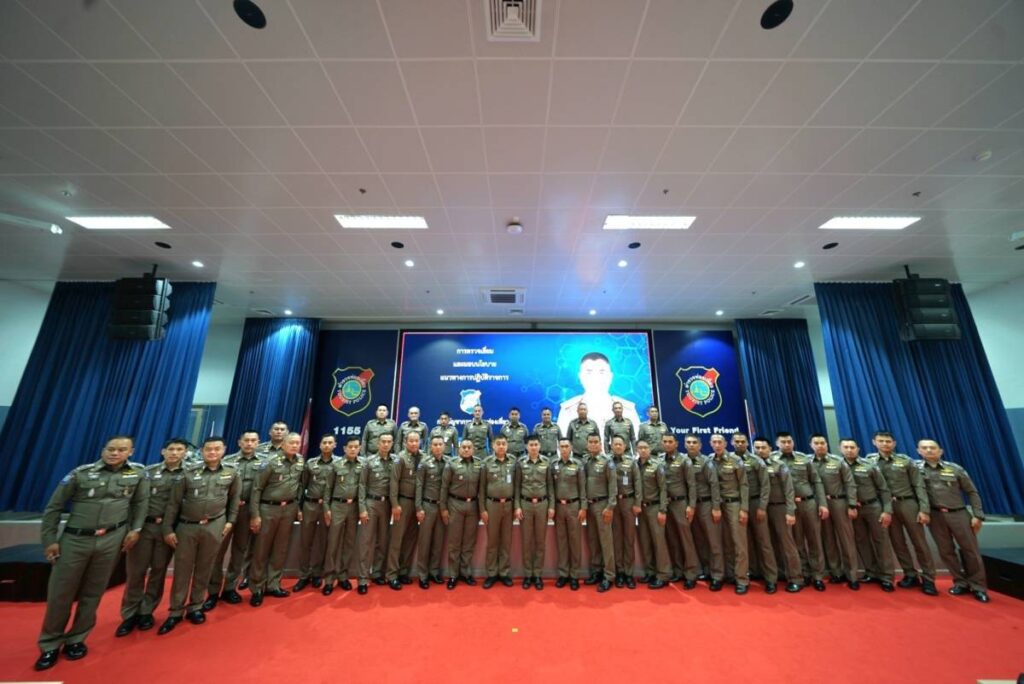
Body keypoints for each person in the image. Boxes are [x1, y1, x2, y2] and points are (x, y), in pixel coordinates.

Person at [35, 436, 147, 672]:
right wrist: (50, 540)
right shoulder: (81, 474)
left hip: (111, 539)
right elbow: (54, 508)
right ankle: (50, 644)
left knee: (93, 592)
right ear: (103, 450)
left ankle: (76, 639)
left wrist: (135, 530)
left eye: (121, 450)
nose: (115, 453)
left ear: (131, 452)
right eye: (111, 449)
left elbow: (140, 504)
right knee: (60, 594)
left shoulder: (138, 474)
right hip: (76, 539)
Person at [157, 437, 240, 635]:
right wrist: (168, 529)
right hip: (187, 526)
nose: (212, 452)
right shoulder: (187, 472)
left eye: (217, 449)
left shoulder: (231, 472)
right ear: (202, 451)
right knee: (182, 570)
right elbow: (174, 504)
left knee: (205, 567)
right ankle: (176, 611)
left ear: (224, 450)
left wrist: (230, 521)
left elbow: (234, 499)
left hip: (215, 525)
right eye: (208, 449)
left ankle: (195, 606)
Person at [117, 438, 188, 637]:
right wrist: (133, 528)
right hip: (144, 528)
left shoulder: (189, 473)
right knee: (136, 572)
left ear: (185, 453)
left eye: (179, 450)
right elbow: (134, 502)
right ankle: (129, 614)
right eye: (171, 449)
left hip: (168, 530)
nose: (174, 453)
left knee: (158, 571)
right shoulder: (147, 472)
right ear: (163, 451)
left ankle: (147, 611)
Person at [917, 439, 990, 603]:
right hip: (935, 516)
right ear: (918, 451)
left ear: (940, 451)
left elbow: (972, 492)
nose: (929, 450)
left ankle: (978, 586)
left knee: (970, 551)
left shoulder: (955, 468)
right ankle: (960, 582)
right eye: (924, 448)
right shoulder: (916, 469)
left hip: (958, 514)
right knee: (946, 551)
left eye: (932, 448)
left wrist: (978, 515)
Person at [867, 431, 937, 595]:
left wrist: (924, 509)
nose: (885, 444)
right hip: (886, 507)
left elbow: (919, 485)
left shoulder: (906, 461)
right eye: (881, 441)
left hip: (908, 504)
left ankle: (928, 578)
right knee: (898, 543)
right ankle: (910, 574)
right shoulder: (869, 461)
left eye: (888, 441)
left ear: (894, 443)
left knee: (919, 542)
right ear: (874, 442)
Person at [206, 429, 263, 606]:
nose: (249, 443)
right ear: (239, 442)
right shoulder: (227, 461)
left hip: (247, 511)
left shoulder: (263, 463)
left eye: (253, 440)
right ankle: (213, 591)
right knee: (217, 551)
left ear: (258, 443)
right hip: (226, 511)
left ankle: (230, 588)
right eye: (246, 440)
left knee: (240, 551)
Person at [248, 432, 304, 606]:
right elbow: (257, 488)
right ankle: (257, 588)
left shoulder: (300, 461)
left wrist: (298, 508)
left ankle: (273, 584)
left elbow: (299, 486)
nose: (294, 446)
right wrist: (255, 515)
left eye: (297, 443)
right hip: (268, 509)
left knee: (280, 548)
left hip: (289, 509)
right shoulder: (270, 462)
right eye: (291, 442)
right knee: (261, 549)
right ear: (284, 443)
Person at [840, 438, 896, 592]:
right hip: (853, 510)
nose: (849, 450)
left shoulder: (869, 465)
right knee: (862, 541)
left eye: (852, 447)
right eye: (846, 447)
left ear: (858, 449)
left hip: (873, 507)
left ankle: (887, 577)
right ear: (840, 449)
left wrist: (887, 510)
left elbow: (883, 489)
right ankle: (871, 572)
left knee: (881, 541)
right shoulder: (837, 465)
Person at [775, 432, 827, 591]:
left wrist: (822, 503)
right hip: (788, 506)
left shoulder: (804, 458)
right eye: (783, 442)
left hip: (808, 503)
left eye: (789, 441)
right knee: (796, 542)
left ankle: (818, 576)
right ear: (777, 444)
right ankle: (802, 574)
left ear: (793, 442)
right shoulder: (772, 460)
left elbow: (816, 481)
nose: (786, 444)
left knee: (814, 540)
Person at [809, 434, 862, 589]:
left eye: (823, 443)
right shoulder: (807, 462)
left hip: (839, 503)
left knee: (846, 540)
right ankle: (836, 572)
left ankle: (852, 576)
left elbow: (850, 484)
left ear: (827, 444)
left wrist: (852, 505)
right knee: (828, 540)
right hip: (819, 505)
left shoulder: (838, 462)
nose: (820, 446)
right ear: (811, 445)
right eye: (816, 443)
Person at [753, 437, 802, 592]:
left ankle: (795, 578)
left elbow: (789, 489)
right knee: (766, 544)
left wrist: (790, 511)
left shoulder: (778, 465)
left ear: (770, 448)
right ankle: (772, 578)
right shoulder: (751, 465)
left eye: (763, 447)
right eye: (757, 448)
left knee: (787, 544)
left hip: (779, 507)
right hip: (760, 508)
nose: (760, 450)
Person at [556, 352, 641, 438]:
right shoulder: (568, 410)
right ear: (580, 376)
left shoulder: (627, 410)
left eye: (601, 372)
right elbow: (561, 443)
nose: (595, 377)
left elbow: (638, 442)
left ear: (610, 376)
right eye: (589, 372)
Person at [734, 433, 778, 593]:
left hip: (755, 503)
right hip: (738, 504)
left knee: (764, 541)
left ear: (747, 443)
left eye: (742, 441)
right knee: (745, 542)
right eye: (737, 441)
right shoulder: (730, 460)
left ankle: (771, 578)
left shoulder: (756, 460)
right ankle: (753, 571)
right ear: (732, 443)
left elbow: (765, 486)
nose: (739, 444)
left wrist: (762, 507)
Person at [292, 434, 335, 592]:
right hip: (310, 505)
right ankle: (304, 575)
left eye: (330, 443)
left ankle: (317, 573)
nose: (327, 445)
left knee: (323, 541)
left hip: (327, 507)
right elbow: (301, 486)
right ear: (320, 445)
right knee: (306, 541)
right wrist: (298, 508)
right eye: (324, 442)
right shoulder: (310, 463)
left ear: (335, 445)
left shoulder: (338, 464)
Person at [356, 433, 397, 594]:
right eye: (383, 442)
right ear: (378, 443)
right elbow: (362, 485)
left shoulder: (396, 461)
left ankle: (378, 573)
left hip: (387, 505)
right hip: (371, 503)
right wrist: (362, 508)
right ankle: (363, 578)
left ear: (392, 443)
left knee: (383, 540)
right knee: (366, 542)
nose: (386, 444)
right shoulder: (369, 461)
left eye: (389, 442)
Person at [322, 437, 362, 595]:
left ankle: (343, 576)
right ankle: (329, 579)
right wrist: (326, 508)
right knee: (333, 542)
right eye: (350, 447)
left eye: (356, 447)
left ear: (359, 448)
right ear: (344, 448)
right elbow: (328, 488)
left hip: (354, 507)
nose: (353, 449)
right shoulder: (336, 464)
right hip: (337, 506)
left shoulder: (362, 465)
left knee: (349, 543)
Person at [710, 434, 749, 594]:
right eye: (714, 442)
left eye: (720, 442)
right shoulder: (709, 460)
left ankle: (741, 579)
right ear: (710, 444)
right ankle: (725, 575)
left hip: (734, 504)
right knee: (721, 542)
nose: (717, 445)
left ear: (726, 443)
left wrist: (744, 508)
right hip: (716, 506)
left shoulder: (735, 460)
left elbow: (744, 484)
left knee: (739, 544)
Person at [441, 439, 483, 589]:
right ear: (459, 449)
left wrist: (482, 509)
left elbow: (482, 488)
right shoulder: (451, 464)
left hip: (473, 506)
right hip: (455, 504)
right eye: (463, 447)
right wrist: (443, 508)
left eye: (469, 447)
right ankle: (453, 574)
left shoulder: (479, 464)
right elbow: (444, 487)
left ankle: (465, 573)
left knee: (469, 542)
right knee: (455, 542)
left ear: (473, 449)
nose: (466, 449)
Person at [684, 434, 724, 590]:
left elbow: (714, 485)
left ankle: (717, 575)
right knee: (699, 541)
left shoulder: (706, 462)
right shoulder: (682, 461)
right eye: (688, 442)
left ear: (700, 445)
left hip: (706, 504)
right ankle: (706, 570)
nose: (691, 445)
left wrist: (716, 507)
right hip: (690, 506)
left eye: (694, 442)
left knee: (713, 542)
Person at [385, 431, 423, 589]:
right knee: (397, 540)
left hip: (417, 504)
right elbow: (394, 482)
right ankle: (392, 574)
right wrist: (395, 504)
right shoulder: (400, 458)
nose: (414, 443)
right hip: (402, 502)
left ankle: (403, 571)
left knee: (410, 539)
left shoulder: (423, 457)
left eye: (416, 440)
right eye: (411, 441)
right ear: (405, 442)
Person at [660, 434, 699, 589]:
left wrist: (691, 506)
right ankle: (678, 571)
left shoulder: (684, 460)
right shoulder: (659, 460)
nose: (667, 444)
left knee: (685, 539)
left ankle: (691, 573)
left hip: (681, 503)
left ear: (676, 443)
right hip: (666, 504)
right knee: (673, 539)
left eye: (670, 441)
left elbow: (692, 485)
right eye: (665, 441)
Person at [516, 435, 554, 590]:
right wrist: (517, 506)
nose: (533, 447)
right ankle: (527, 574)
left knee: (540, 541)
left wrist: (551, 506)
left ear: (540, 446)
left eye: (536, 444)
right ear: (526, 447)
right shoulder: (520, 463)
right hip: (525, 504)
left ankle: (537, 574)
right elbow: (517, 487)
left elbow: (550, 486)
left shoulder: (546, 462)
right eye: (531, 445)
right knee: (526, 541)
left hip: (542, 505)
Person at [551, 437, 586, 590]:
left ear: (571, 448)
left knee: (574, 541)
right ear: (558, 448)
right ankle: (563, 574)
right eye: (562, 446)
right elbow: (551, 489)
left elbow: (582, 487)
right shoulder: (554, 465)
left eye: (566, 446)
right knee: (562, 542)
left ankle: (574, 575)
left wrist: (583, 507)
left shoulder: (578, 465)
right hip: (559, 507)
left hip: (574, 506)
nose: (564, 449)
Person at [481, 435, 516, 588]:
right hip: (492, 505)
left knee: (506, 541)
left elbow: (517, 485)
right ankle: (492, 573)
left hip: (508, 505)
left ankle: (504, 572)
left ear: (507, 446)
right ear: (493, 446)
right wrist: (482, 509)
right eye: (498, 444)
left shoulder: (513, 462)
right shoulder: (487, 463)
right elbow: (481, 488)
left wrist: (516, 506)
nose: (501, 446)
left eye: (503, 444)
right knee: (492, 542)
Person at [583, 434, 617, 592]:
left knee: (606, 542)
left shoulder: (607, 462)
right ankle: (596, 571)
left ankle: (609, 575)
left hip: (603, 506)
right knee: (593, 541)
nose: (593, 444)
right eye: (590, 442)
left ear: (600, 444)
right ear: (587, 444)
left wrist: (610, 507)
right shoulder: (585, 461)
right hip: (589, 506)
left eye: (596, 442)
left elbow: (613, 486)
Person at [414, 436, 448, 589]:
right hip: (428, 506)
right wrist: (419, 508)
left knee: (438, 542)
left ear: (444, 446)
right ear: (430, 446)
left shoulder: (449, 462)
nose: (438, 447)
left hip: (442, 507)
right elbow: (419, 486)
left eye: (440, 444)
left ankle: (434, 572)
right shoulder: (424, 463)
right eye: (435, 444)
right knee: (425, 541)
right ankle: (423, 575)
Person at [635, 439, 669, 589]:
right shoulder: (634, 465)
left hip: (655, 508)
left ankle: (663, 574)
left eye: (645, 447)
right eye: (640, 448)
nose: (643, 450)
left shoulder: (657, 465)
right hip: (641, 509)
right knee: (645, 541)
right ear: (636, 449)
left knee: (659, 542)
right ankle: (650, 572)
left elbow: (663, 489)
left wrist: (662, 510)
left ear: (650, 449)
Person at [609, 435, 641, 588]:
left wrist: (637, 503)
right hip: (613, 504)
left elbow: (637, 483)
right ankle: (620, 572)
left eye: (620, 444)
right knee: (616, 539)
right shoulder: (607, 462)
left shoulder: (631, 462)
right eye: (615, 444)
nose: (617, 447)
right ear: (611, 446)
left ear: (625, 446)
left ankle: (629, 573)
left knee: (629, 538)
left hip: (628, 502)